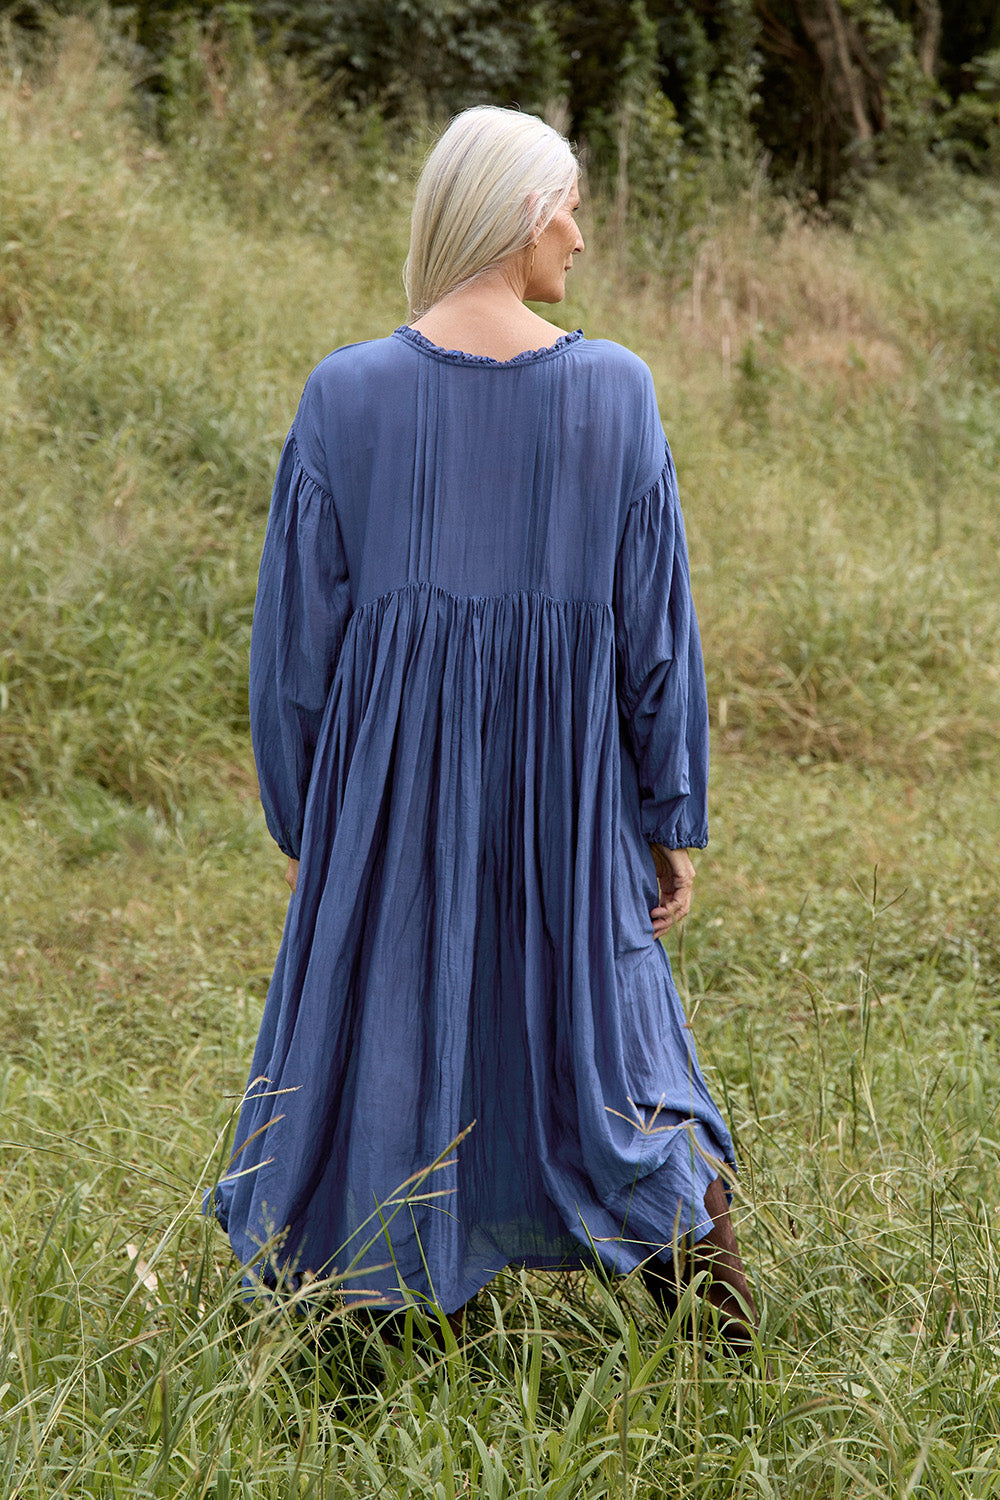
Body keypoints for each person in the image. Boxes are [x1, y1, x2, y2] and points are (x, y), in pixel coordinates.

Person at [209, 105, 756, 1351]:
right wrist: (665, 816)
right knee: (620, 1051)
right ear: (520, 215)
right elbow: (654, 633)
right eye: (569, 206)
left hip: (386, 802)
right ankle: (725, 1354)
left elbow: (295, 653)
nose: (580, 235)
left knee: (392, 1035)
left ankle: (374, 1344)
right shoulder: (614, 390)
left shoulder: (345, 393)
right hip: (574, 797)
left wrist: (310, 821)